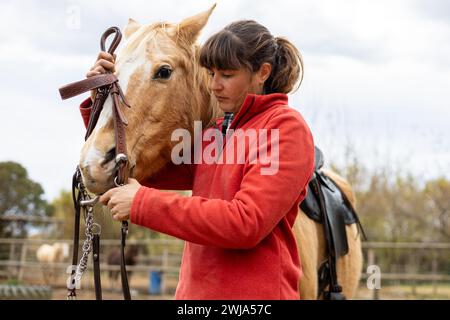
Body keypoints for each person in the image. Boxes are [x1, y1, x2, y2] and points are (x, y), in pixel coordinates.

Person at [81, 20, 314, 299]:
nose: (214, 85)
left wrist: (142, 203)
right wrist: (100, 104)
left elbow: (246, 223)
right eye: (211, 73)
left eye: (226, 75)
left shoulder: (284, 128)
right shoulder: (217, 133)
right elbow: (145, 167)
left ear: (262, 73)